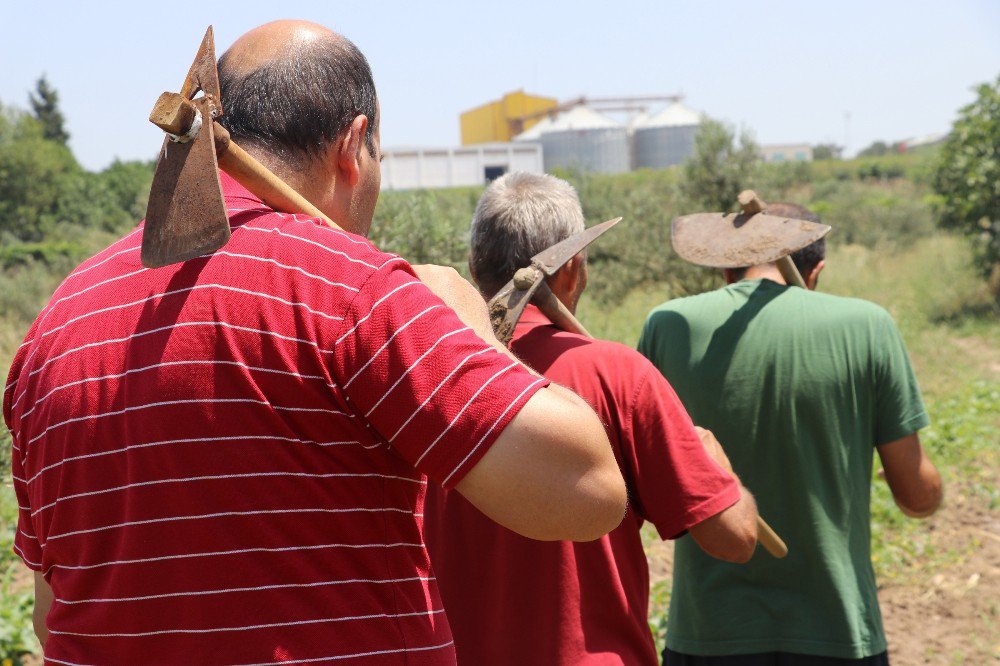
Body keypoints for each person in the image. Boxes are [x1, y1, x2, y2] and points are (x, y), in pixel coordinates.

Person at [2, 22, 627, 664]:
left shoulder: (51, 330)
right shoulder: (350, 290)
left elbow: (55, 617)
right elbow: (586, 491)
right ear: (354, 146)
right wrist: (467, 325)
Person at [423, 172, 760, 665]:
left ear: (475, 268)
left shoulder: (424, 371)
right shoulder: (619, 376)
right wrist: (715, 464)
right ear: (574, 269)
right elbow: (735, 538)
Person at [637, 202, 943, 665]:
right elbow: (917, 496)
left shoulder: (668, 326)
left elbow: (646, 487)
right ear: (815, 269)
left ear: (726, 269)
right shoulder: (867, 325)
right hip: (837, 631)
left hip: (711, 632)